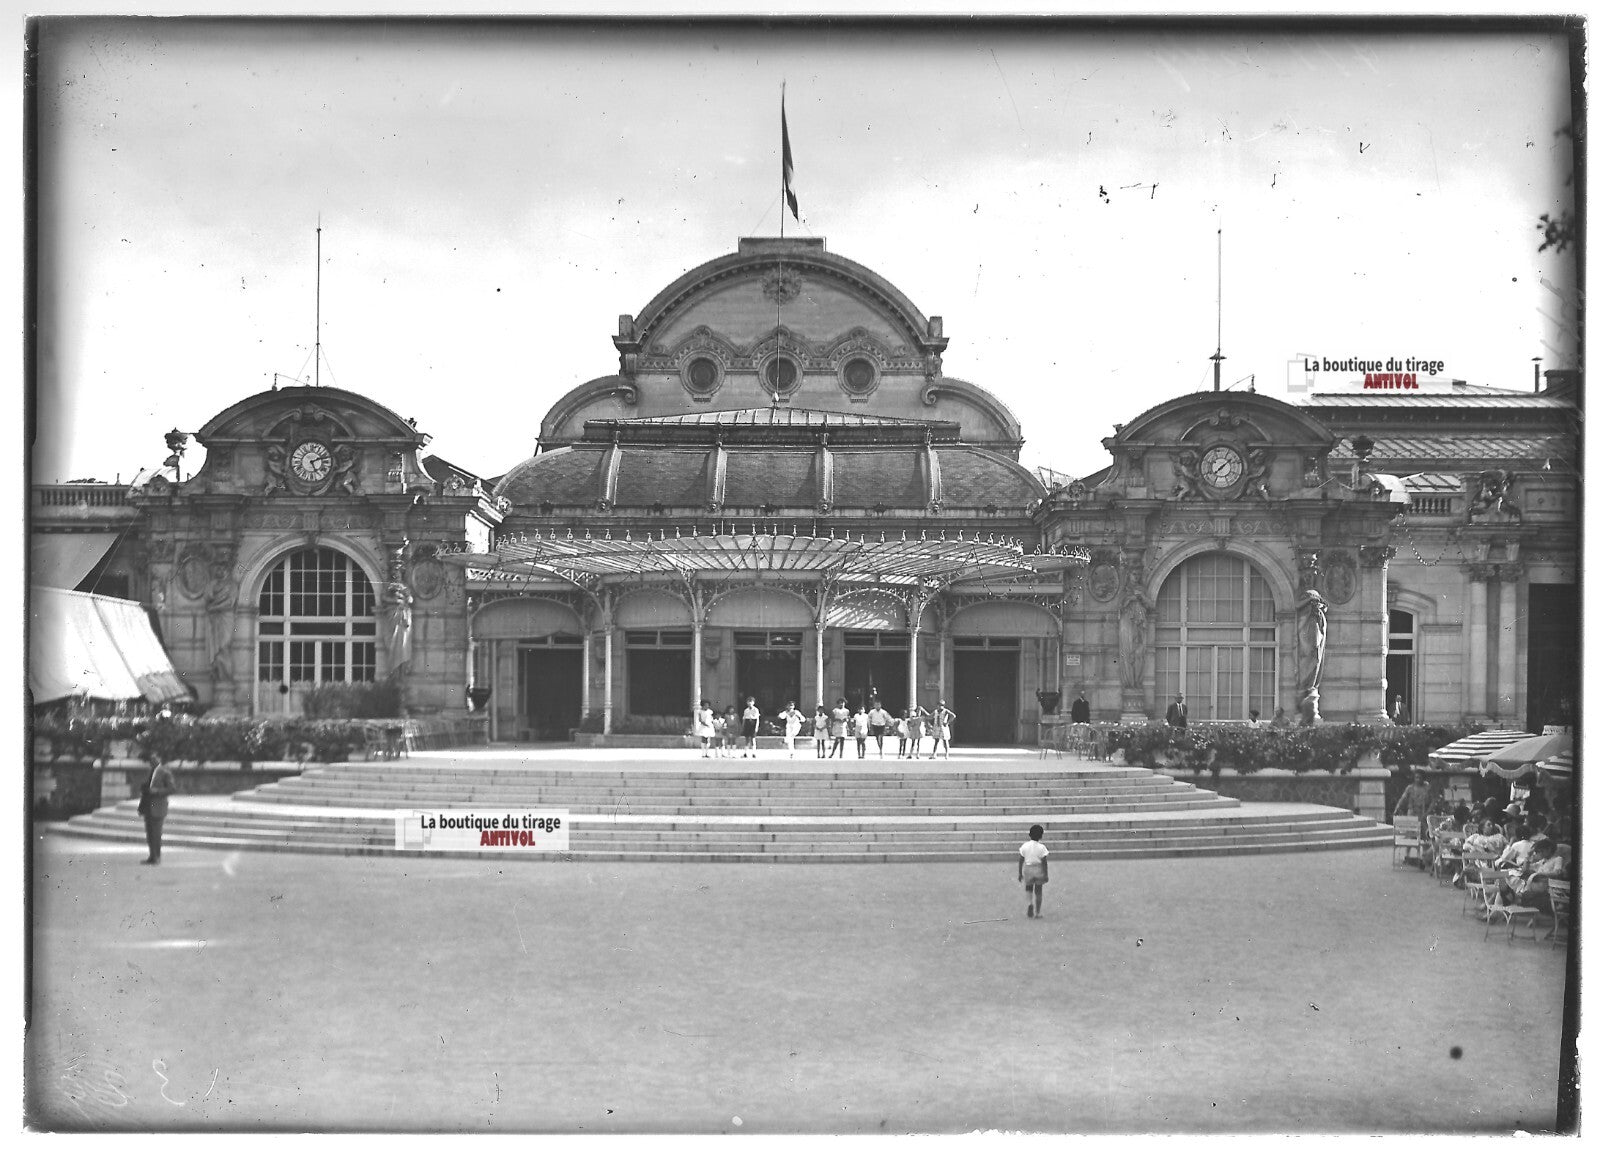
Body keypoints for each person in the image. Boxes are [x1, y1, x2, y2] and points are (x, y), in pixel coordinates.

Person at [138, 755, 177, 865]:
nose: (152, 760)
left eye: (155, 758)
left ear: (159, 759)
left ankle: (157, 857)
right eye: (151, 759)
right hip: (148, 806)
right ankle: (152, 856)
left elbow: (172, 788)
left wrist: (157, 791)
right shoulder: (151, 772)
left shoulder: (165, 772)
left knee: (156, 834)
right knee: (150, 833)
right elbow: (148, 787)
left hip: (158, 807)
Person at [1018, 824, 1049, 919]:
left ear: (1029, 834)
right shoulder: (1042, 847)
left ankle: (1029, 903)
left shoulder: (1025, 846)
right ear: (1041, 835)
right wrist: (1045, 874)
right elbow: (1044, 862)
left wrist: (1020, 873)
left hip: (1028, 868)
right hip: (1038, 868)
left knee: (1029, 888)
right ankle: (1038, 912)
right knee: (1038, 891)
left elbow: (1021, 860)